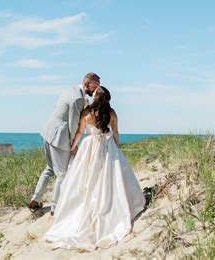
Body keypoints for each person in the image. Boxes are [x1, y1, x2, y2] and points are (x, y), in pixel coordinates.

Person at [43, 86, 146, 251]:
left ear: (95, 97)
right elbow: (116, 131)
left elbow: (79, 132)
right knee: (110, 176)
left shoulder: (87, 113)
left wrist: (73, 147)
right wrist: (116, 147)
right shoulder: (111, 113)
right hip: (106, 145)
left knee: (85, 178)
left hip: (89, 146)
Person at [29, 73, 100, 216]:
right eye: (94, 86)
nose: (96, 89)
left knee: (49, 168)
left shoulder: (70, 90)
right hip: (59, 138)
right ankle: (55, 207)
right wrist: (73, 145)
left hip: (49, 132)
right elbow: (73, 124)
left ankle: (35, 199)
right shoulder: (78, 99)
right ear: (87, 83)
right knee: (62, 174)